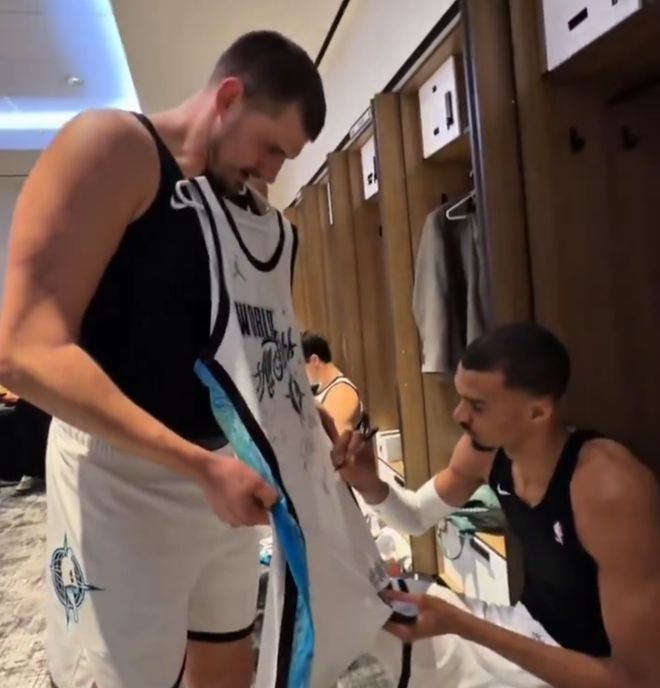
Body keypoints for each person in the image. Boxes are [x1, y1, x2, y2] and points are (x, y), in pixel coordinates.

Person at [0, 31, 325, 688]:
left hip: (221, 474)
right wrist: (196, 465)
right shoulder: (113, 148)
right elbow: (23, 351)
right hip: (117, 480)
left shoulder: (244, 209)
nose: (271, 173)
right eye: (270, 148)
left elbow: (246, 354)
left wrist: (308, 427)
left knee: (226, 661)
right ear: (228, 98)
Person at [333, 322, 660, 688]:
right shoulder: (483, 453)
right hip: (520, 628)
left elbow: (639, 680)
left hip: (578, 666)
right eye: (461, 398)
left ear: (537, 413)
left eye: (477, 406)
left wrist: (463, 625)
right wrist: (370, 483)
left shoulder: (608, 488)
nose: (458, 415)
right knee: (374, 607)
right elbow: (414, 518)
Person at [302, 330, 369, 433]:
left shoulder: (342, 393)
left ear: (314, 360)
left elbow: (337, 440)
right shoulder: (320, 390)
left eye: (300, 366)